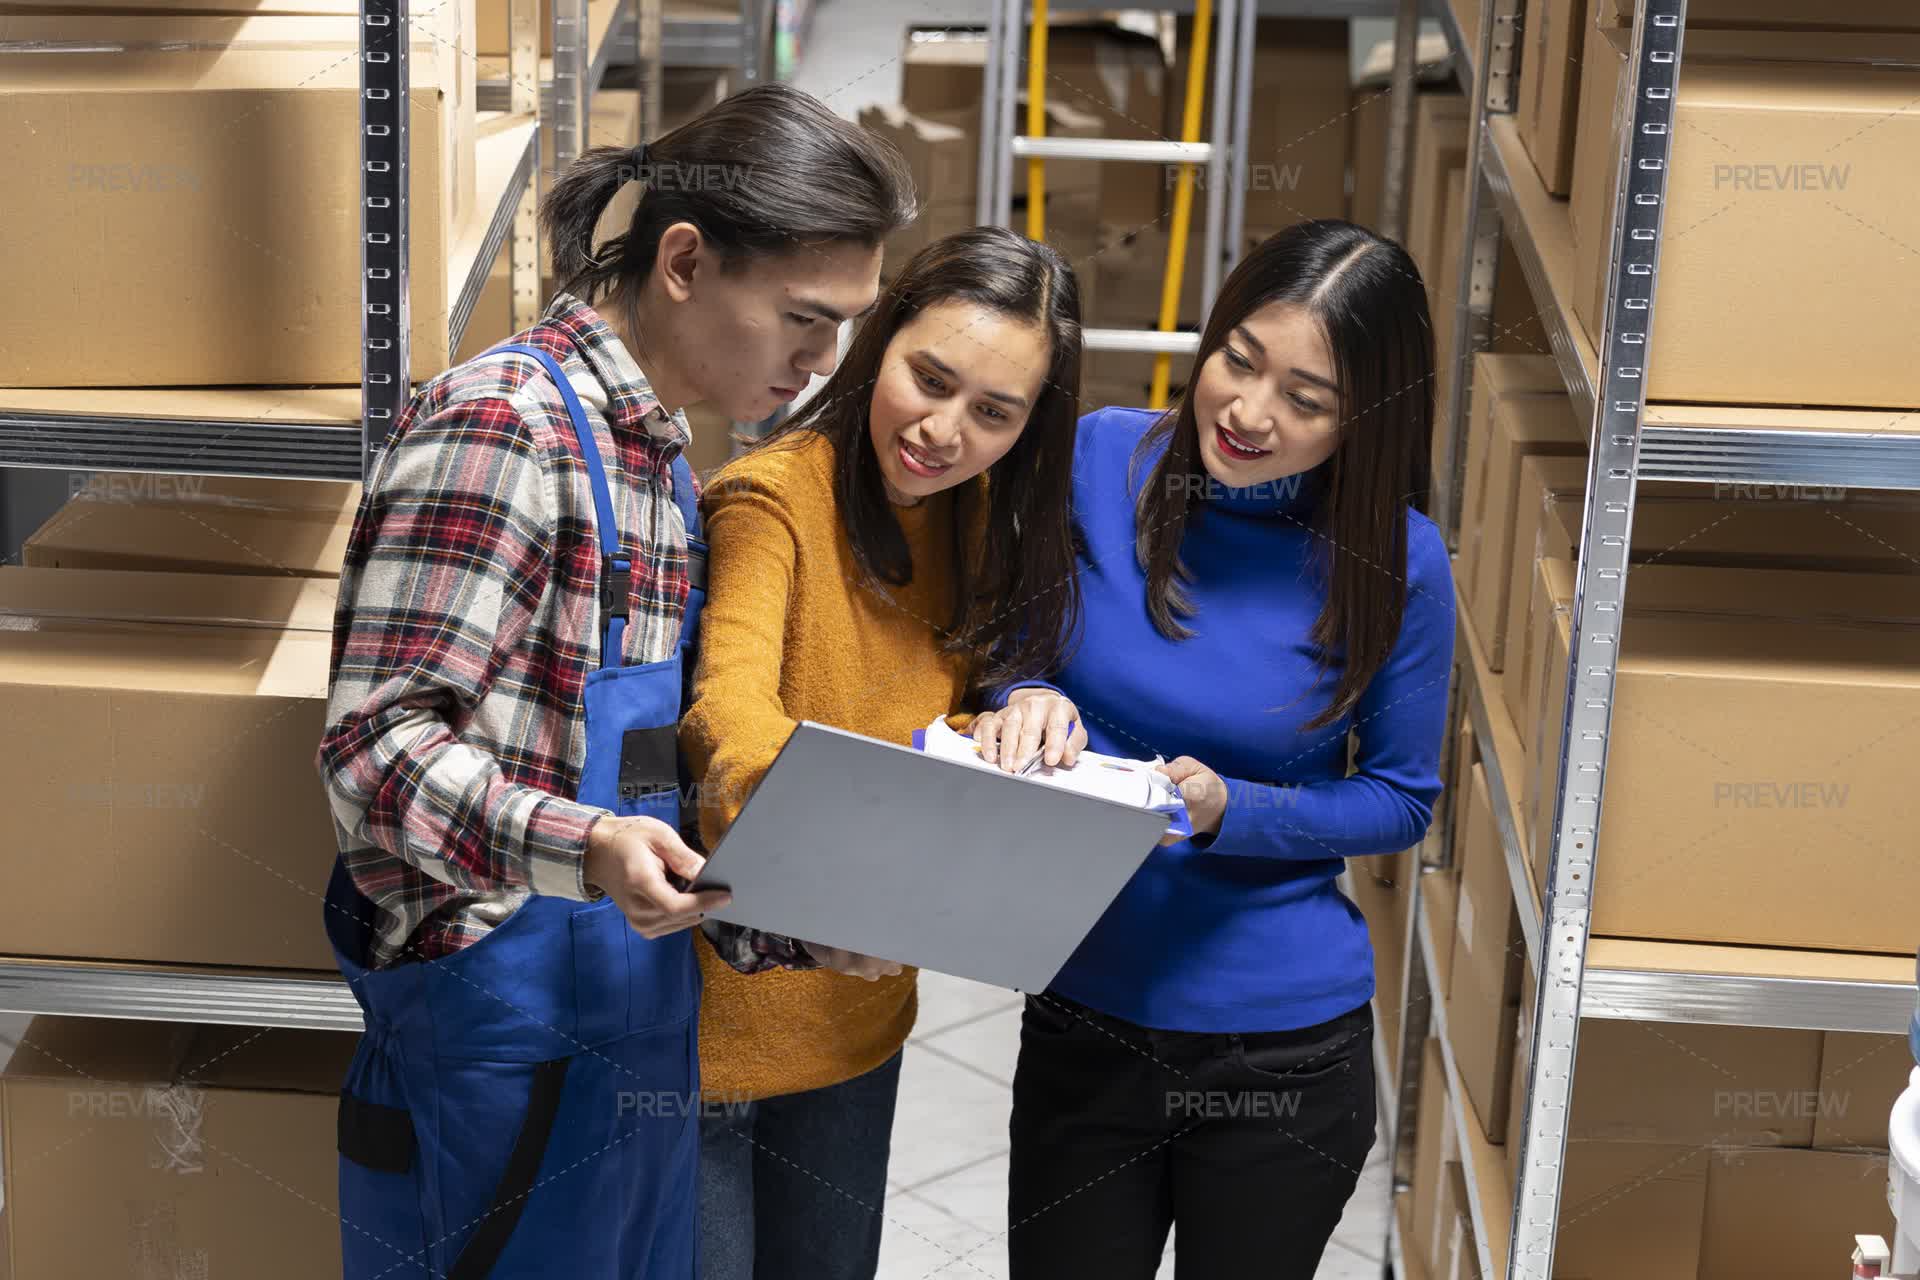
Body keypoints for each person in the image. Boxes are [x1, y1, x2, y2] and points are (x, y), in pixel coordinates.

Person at [313, 83, 920, 1279]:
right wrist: (586, 847)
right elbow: (374, 754)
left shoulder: (658, 466)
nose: (823, 361)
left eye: (845, 325)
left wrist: (787, 921)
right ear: (684, 261)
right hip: (496, 1068)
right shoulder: (504, 428)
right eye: (804, 317)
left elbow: (643, 796)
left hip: (633, 1048)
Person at [971, 219, 1457, 1278]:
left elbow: (1400, 799)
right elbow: (1011, 647)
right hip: (1084, 1009)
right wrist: (1022, 695)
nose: (1248, 411)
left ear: (1364, 417)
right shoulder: (1100, 456)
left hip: (1282, 1052)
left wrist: (1235, 809)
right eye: (1240, 359)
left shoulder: (1398, 561)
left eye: (1306, 399)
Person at [679, 225, 1088, 1280]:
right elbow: (729, 720)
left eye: (993, 412)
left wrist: (1018, 716)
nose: (943, 432)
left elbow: (941, 713)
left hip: (859, 1024)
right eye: (929, 379)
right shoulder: (772, 500)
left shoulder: (980, 522)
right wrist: (836, 882)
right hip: (719, 1032)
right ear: (879, 340)